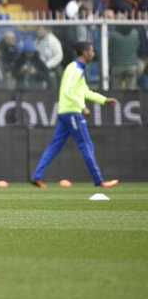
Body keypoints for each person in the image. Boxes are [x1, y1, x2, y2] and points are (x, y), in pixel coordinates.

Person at [31, 42, 120, 189]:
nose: (93, 54)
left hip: (64, 111)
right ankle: (99, 180)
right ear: (84, 52)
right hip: (72, 112)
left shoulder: (76, 68)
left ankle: (37, 176)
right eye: (91, 51)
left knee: (55, 146)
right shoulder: (75, 68)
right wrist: (82, 107)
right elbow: (68, 91)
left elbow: (84, 91)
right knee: (86, 145)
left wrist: (104, 100)